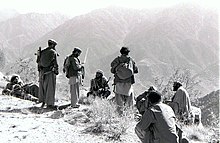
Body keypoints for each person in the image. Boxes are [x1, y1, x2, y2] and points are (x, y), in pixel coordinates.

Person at [110, 47, 138, 114]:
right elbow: (136, 70)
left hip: (118, 81)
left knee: (119, 99)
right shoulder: (131, 60)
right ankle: (128, 113)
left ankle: (120, 114)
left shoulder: (117, 60)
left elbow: (112, 70)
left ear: (121, 52)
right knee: (129, 99)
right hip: (128, 82)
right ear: (128, 52)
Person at [37, 39, 59, 109]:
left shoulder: (42, 51)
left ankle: (42, 101)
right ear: (52, 45)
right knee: (50, 88)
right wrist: (56, 71)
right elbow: (55, 63)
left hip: (42, 72)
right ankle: (49, 104)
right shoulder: (53, 52)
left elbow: (38, 61)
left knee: (42, 87)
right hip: (50, 72)